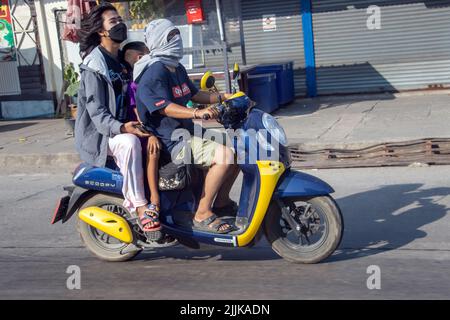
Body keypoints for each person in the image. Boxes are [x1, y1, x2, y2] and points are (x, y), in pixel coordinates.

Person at [135, 19, 240, 234]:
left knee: (240, 148)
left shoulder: (175, 67)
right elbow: (164, 107)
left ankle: (220, 202)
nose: (177, 39)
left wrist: (223, 97)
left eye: (177, 34)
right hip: (171, 140)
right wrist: (196, 112)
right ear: (159, 41)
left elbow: (192, 93)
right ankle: (202, 212)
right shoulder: (154, 72)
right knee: (224, 156)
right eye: (171, 36)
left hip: (188, 132)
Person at [75, 3, 161, 233]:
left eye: (120, 19)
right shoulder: (94, 66)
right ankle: (141, 207)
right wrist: (124, 128)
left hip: (128, 125)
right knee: (131, 144)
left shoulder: (123, 60)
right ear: (101, 31)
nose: (120, 24)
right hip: (103, 135)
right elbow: (98, 115)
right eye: (113, 22)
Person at [120, 41, 162, 220]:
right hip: (143, 131)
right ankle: (154, 198)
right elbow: (138, 115)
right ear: (140, 58)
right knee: (153, 152)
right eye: (148, 54)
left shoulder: (151, 80)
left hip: (156, 127)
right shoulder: (134, 85)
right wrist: (152, 134)